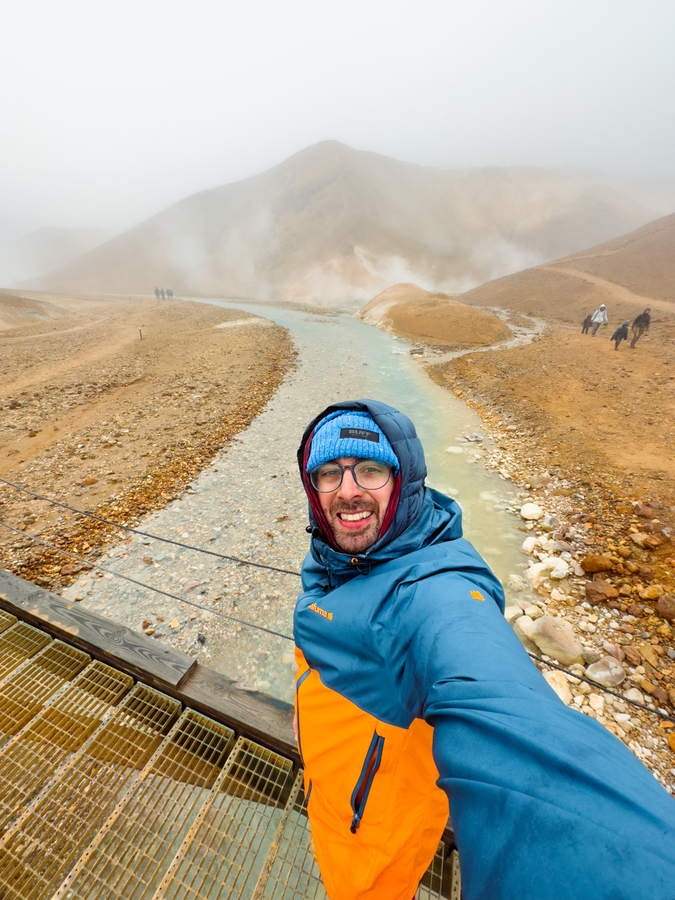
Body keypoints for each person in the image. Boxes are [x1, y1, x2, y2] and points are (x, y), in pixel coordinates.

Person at [294, 399, 675, 900]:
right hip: (332, 798)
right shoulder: (335, 558)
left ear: (404, 480)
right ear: (312, 487)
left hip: (373, 851)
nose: (347, 490)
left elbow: (496, 702)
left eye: (370, 469)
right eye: (329, 472)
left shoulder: (435, 592)